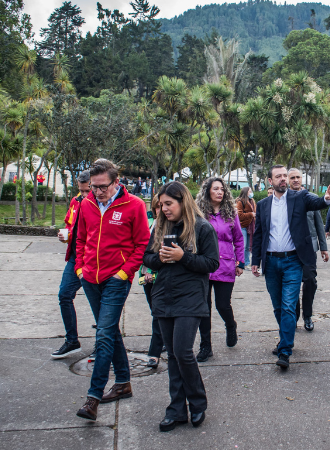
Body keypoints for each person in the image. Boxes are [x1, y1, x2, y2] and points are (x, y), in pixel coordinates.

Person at [74, 159, 150, 421]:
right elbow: (81, 238)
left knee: (103, 335)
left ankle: (93, 397)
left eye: (102, 186)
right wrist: (80, 269)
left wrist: (123, 273)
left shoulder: (135, 205)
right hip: (90, 278)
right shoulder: (86, 204)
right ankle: (124, 383)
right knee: (109, 330)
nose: (97, 191)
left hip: (116, 279)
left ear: (116, 182)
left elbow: (142, 244)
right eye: (93, 187)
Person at [143, 181, 219, 431]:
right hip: (164, 296)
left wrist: (182, 257)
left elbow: (211, 263)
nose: (163, 209)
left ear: (182, 201)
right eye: (161, 204)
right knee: (173, 355)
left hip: (191, 298)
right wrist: (162, 259)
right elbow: (148, 258)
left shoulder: (202, 227)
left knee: (183, 352)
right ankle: (176, 410)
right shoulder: (161, 226)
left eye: (168, 204)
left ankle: (198, 404)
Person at [251, 165, 330, 370]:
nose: (283, 179)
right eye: (278, 176)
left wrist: (327, 198)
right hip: (271, 263)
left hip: (293, 261)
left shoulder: (299, 197)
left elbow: (317, 203)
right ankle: (285, 338)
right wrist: (255, 261)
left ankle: (285, 350)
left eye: (285, 176)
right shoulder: (263, 205)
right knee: (278, 307)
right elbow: (258, 235)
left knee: (289, 305)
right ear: (269, 181)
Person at [195, 177, 244, 362]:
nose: (219, 192)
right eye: (215, 189)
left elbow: (239, 238)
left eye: (222, 189)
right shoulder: (198, 213)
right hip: (203, 266)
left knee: (222, 305)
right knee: (203, 308)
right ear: (207, 191)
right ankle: (205, 346)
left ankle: (230, 325)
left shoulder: (231, 212)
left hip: (225, 265)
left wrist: (241, 262)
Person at [51, 170, 92, 359]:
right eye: (81, 191)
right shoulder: (76, 201)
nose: (84, 195)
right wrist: (64, 235)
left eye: (87, 191)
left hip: (93, 259)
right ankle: (72, 340)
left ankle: (105, 342)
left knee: (99, 302)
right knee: (64, 295)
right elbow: (69, 224)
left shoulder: (100, 204)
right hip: (76, 257)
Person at [288, 168, 329, 331]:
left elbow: (319, 224)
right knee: (292, 284)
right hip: (290, 250)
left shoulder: (311, 199)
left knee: (310, 281)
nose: (296, 180)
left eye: (298, 177)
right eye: (293, 178)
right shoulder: (284, 200)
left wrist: (324, 247)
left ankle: (308, 315)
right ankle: (295, 316)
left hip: (309, 249)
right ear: (288, 180)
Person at [141, 196, 165, 369]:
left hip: (161, 276)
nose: (161, 210)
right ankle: (163, 340)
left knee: (158, 313)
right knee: (155, 312)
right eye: (158, 207)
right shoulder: (149, 223)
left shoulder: (172, 226)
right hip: (146, 274)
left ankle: (154, 352)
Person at [236, 187, 256, 266]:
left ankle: (246, 263)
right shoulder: (240, 202)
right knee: (243, 246)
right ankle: (240, 262)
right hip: (243, 226)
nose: (251, 192)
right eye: (250, 191)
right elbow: (239, 215)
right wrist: (250, 214)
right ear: (246, 192)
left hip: (250, 226)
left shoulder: (252, 201)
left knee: (248, 246)